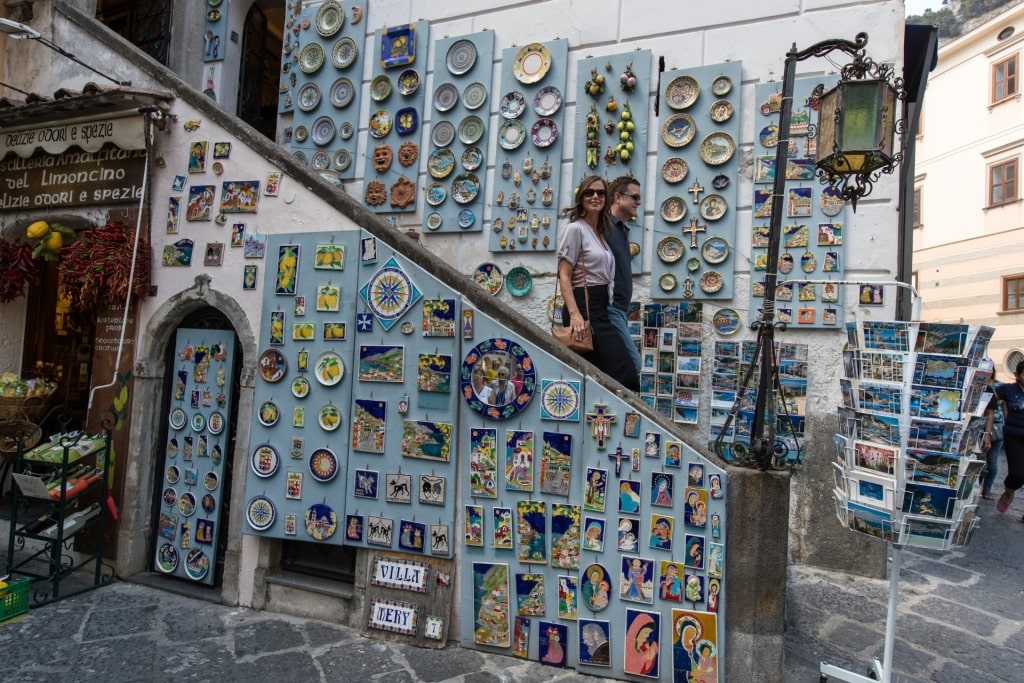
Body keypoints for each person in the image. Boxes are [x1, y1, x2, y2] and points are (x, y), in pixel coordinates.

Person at [557, 175, 640, 391]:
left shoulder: (601, 233)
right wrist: (575, 315)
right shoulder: (575, 229)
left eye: (600, 193)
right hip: (585, 307)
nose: (595, 196)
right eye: (589, 192)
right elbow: (564, 274)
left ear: (607, 197)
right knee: (625, 372)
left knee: (610, 374)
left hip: (601, 307)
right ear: (581, 197)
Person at [991, 359, 1024, 517]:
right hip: (1014, 437)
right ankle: (1008, 493)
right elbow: (989, 398)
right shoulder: (1009, 389)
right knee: (1017, 474)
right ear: (1017, 375)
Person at [979, 359, 1005, 499]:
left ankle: (986, 488)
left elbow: (992, 411)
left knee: (991, 461)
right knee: (981, 461)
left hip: (995, 428)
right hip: (982, 429)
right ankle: (978, 488)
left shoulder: (999, 386)